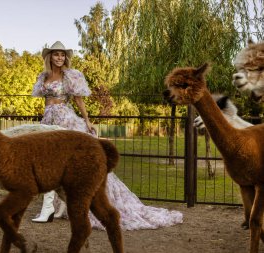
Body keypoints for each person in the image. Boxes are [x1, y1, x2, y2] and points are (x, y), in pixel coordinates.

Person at [31, 41, 183, 230]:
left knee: (68, 163)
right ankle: (58, 207)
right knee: (50, 161)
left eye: (63, 55)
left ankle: (54, 208)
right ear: (50, 57)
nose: (60, 58)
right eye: (56, 54)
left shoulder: (70, 76)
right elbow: (46, 102)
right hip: (48, 119)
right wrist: (44, 119)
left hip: (65, 119)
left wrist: (86, 120)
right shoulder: (43, 76)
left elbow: (78, 100)